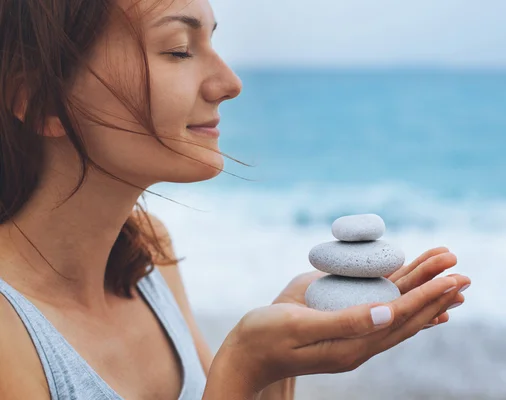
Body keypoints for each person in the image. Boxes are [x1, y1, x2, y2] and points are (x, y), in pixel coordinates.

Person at [0, 0, 471, 399]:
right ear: (40, 100)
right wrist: (243, 365)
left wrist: (277, 367)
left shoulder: (145, 252)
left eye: (210, 44)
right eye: (179, 51)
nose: (229, 82)